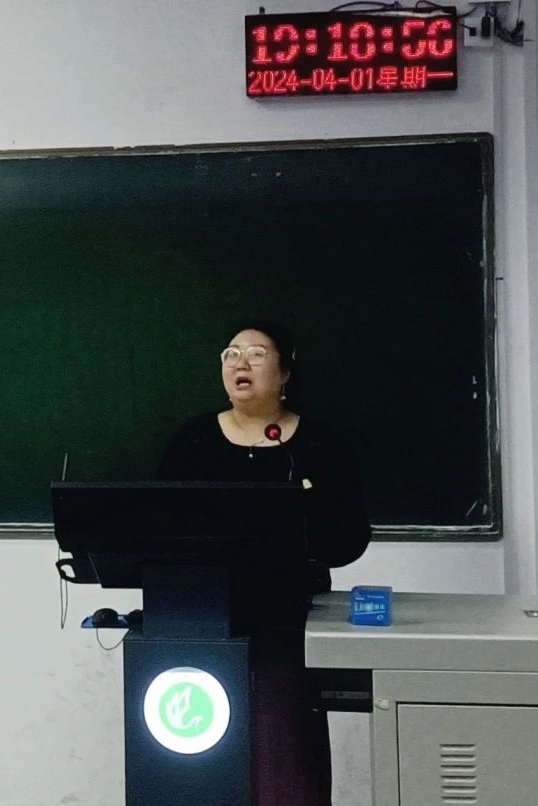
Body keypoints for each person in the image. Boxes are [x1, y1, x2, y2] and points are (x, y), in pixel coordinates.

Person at [157, 320, 371, 806]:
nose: (240, 363)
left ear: (285, 372)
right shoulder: (193, 442)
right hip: (202, 621)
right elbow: (160, 526)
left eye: (256, 354)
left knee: (285, 755)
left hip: (288, 620)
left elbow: (350, 536)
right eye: (230, 354)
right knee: (198, 761)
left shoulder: (316, 445)